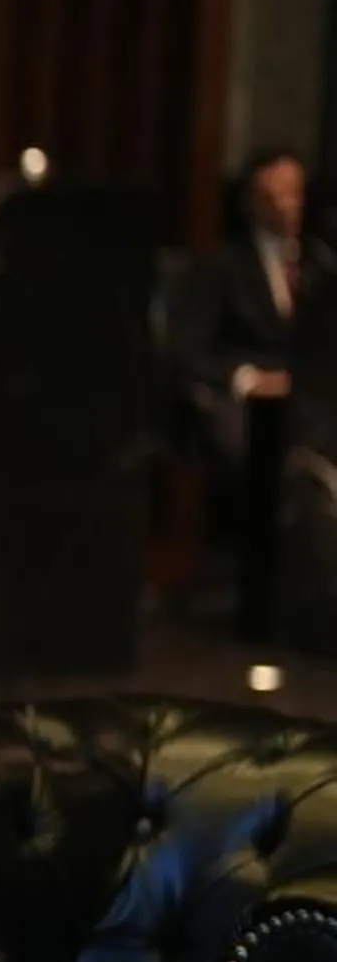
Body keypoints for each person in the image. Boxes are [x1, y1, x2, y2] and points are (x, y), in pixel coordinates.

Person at [195, 149, 331, 639]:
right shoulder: (223, 265)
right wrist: (251, 378)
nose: (288, 206)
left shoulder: (320, 264)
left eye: (296, 193)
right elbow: (194, 350)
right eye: (275, 194)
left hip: (313, 400)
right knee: (261, 454)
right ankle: (260, 606)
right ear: (251, 201)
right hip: (247, 400)